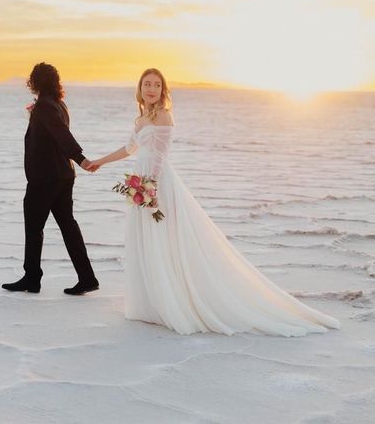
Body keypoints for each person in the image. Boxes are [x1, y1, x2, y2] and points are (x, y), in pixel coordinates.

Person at [88, 68, 341, 336]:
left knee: (163, 240)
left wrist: (152, 192)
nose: (151, 89)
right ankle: (153, 303)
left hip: (157, 184)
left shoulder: (164, 116)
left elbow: (160, 157)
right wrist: (99, 162)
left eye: (157, 85)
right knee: (146, 241)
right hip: (141, 183)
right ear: (139, 89)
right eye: (147, 84)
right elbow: (129, 149)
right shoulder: (139, 120)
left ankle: (172, 302)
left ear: (163, 91)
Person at [2, 62, 99, 296]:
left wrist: (81, 158)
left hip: (45, 179)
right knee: (68, 225)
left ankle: (32, 278)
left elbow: (61, 134)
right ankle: (87, 278)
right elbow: (53, 134)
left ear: (33, 82)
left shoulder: (45, 106)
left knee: (34, 227)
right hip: (63, 176)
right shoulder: (57, 104)